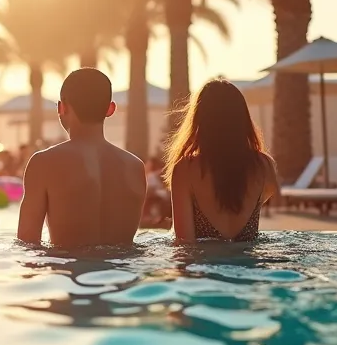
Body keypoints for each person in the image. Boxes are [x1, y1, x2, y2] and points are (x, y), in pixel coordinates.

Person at [18, 68, 145, 248]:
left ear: (62, 108)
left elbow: (27, 243)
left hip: (69, 272)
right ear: (111, 109)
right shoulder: (135, 166)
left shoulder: (43, 163)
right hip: (124, 272)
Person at [165, 80, 279, 244]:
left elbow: (184, 245)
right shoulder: (264, 166)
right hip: (250, 267)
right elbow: (269, 194)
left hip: (205, 267)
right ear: (242, 118)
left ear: (199, 120)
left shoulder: (185, 169)